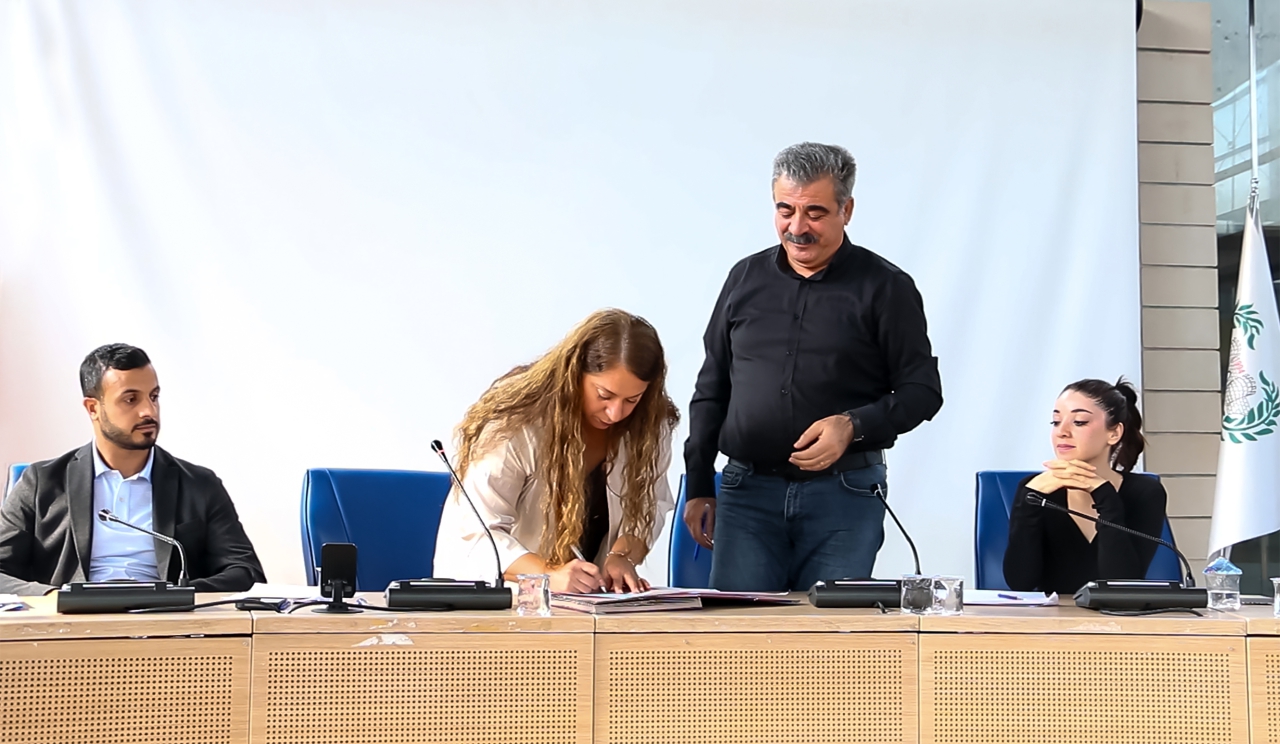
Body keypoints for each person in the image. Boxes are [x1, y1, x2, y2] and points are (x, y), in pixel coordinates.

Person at [684, 141, 943, 591]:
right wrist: (700, 483)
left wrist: (853, 425)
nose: (797, 228)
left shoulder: (887, 288)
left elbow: (922, 390)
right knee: (739, 642)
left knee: (830, 646)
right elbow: (712, 387)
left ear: (848, 209)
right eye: (785, 210)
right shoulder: (743, 278)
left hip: (845, 496)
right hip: (746, 495)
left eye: (816, 213)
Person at [433, 309, 679, 593]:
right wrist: (547, 574)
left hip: (584, 604)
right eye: (604, 395)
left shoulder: (649, 427)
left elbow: (651, 506)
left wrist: (621, 557)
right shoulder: (517, 423)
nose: (615, 413)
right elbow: (479, 531)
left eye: (632, 400)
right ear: (575, 374)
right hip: (494, 599)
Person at [0, 344, 266, 595]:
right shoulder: (41, 483)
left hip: (165, 627)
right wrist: (51, 597)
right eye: (131, 400)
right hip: (74, 628)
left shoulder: (199, 484)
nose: (148, 411)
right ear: (93, 408)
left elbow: (246, 572)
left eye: (154, 397)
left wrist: (174, 596)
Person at [1003, 378, 1168, 596]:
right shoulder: (1035, 490)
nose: (1062, 432)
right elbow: (1020, 583)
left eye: (1079, 422)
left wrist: (1104, 496)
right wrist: (1028, 502)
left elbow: (1121, 585)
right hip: (1050, 623)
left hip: (1117, 625)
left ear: (1114, 433)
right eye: (1055, 422)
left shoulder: (1145, 493)